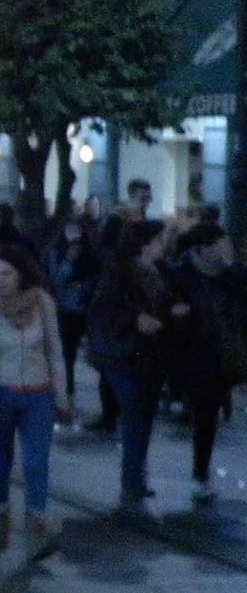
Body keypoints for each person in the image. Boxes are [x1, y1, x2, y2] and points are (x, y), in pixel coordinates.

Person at [0, 245, 68, 559]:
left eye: (6, 273)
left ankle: (35, 524)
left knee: (36, 462)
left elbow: (55, 350)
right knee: (0, 459)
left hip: (38, 394)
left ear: (21, 274)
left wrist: (61, 396)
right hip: (1, 393)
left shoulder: (43, 302)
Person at [86, 220, 175, 517]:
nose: (165, 243)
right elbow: (101, 312)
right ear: (145, 243)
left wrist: (172, 311)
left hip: (149, 356)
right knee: (136, 414)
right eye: (161, 239)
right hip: (122, 357)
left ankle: (135, 475)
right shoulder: (119, 273)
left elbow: (161, 305)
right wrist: (134, 321)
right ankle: (132, 479)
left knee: (144, 415)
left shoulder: (158, 272)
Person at [162, 223, 246, 506]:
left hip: (230, 355)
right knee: (206, 415)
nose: (226, 250)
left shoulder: (232, 275)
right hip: (197, 356)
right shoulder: (180, 275)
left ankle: (201, 472)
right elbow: (167, 310)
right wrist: (176, 314)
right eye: (220, 245)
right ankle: (200, 474)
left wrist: (234, 266)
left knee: (213, 412)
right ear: (202, 248)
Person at [45, 213, 101, 425]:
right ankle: (66, 394)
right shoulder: (57, 250)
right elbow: (55, 279)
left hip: (87, 309)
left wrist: (86, 286)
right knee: (65, 354)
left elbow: (97, 275)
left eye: (77, 229)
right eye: (70, 229)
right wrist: (68, 263)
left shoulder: (91, 251)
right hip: (66, 308)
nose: (74, 234)